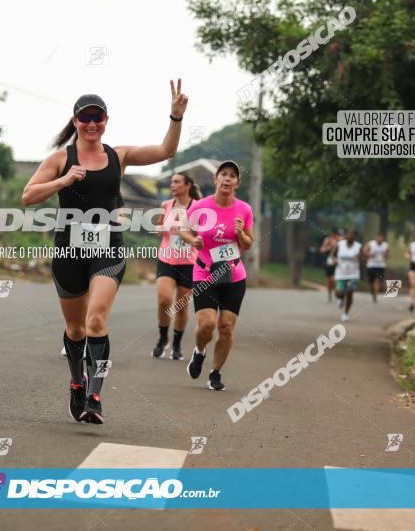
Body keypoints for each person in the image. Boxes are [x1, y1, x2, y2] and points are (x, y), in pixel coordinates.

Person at [22, 81, 188, 424]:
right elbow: (28, 196)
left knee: (96, 318)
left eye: (97, 116)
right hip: (68, 251)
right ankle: (77, 382)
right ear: (76, 120)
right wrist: (63, 181)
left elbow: (165, 151)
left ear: (106, 120)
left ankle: (95, 396)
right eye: (85, 117)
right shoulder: (60, 159)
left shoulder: (119, 155)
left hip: (107, 249)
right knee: (75, 329)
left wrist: (175, 117)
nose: (91, 123)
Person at [179, 161, 254, 391]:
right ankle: (199, 351)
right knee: (206, 326)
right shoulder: (201, 206)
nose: (228, 179)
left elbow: (248, 244)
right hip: (205, 272)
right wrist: (193, 240)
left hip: (233, 275)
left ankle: (215, 372)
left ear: (237, 183)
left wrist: (241, 233)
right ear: (216, 179)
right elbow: (183, 229)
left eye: (233, 176)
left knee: (226, 327)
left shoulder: (244, 209)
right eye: (224, 174)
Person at [153, 173, 201, 360]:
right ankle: (163, 337)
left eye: (177, 182)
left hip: (188, 263)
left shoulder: (198, 207)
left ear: (187, 185)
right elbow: (158, 227)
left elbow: (201, 233)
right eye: (171, 182)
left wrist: (190, 234)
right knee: (164, 299)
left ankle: (177, 344)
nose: (172, 185)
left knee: (181, 306)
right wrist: (160, 229)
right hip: (167, 259)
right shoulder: (166, 205)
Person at [333, 229, 365, 321]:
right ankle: (340, 299)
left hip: (353, 273)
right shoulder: (340, 244)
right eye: (348, 234)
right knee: (339, 292)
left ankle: (346, 313)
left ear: (355, 237)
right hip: (341, 272)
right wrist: (334, 260)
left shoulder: (358, 246)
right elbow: (333, 254)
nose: (350, 236)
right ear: (346, 235)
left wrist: (360, 258)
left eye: (352, 235)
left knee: (350, 292)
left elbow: (363, 258)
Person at [364, 233, 390, 302]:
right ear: (376, 238)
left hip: (381, 265)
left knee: (378, 280)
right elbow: (364, 251)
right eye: (378, 238)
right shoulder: (371, 244)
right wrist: (369, 254)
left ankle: (375, 294)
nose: (380, 239)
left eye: (381, 238)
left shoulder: (385, 245)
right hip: (371, 265)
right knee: (371, 281)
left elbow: (389, 254)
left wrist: (386, 255)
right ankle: (373, 292)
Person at [319, 230, 341, 303]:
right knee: (330, 280)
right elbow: (322, 250)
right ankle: (330, 295)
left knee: (335, 279)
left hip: (339, 262)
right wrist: (330, 246)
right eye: (335, 234)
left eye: (338, 235)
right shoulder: (328, 240)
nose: (336, 236)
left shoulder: (342, 241)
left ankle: (337, 294)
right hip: (330, 262)